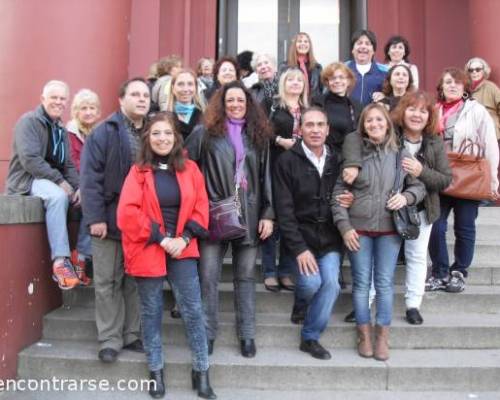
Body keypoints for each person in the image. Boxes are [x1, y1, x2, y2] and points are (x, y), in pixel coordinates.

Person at [117, 112, 216, 399]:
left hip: (183, 247)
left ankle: (201, 370)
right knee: (150, 313)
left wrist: (183, 239)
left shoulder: (190, 169)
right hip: (149, 246)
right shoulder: (138, 172)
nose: (162, 138)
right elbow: (127, 212)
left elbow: (200, 206)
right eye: (157, 133)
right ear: (148, 137)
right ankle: (155, 371)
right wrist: (162, 238)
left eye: (168, 133)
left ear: (176, 138)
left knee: (193, 310)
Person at [342, 91, 452, 325]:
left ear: (429, 116)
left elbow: (444, 180)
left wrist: (420, 171)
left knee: (416, 256)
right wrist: (352, 164)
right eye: (412, 109)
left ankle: (413, 305)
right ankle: (366, 302)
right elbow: (355, 138)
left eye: (423, 111)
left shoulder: (434, 142)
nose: (417, 115)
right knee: (378, 259)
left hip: (421, 208)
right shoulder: (391, 133)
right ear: (403, 111)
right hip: (383, 209)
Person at [186, 81, 274, 358]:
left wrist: (268, 214)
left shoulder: (258, 135)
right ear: (221, 105)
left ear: (249, 104)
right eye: (230, 101)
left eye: (241, 100)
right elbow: (188, 173)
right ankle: (208, 333)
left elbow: (266, 176)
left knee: (246, 277)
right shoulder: (204, 133)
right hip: (215, 214)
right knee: (208, 276)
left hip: (249, 212)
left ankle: (247, 335)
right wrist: (196, 210)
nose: (236, 105)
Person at [332, 103, 425, 361]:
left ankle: (382, 335)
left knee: (384, 284)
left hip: (389, 231)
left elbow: (419, 188)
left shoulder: (400, 154)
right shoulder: (354, 155)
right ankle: (364, 333)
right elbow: (338, 195)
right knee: (361, 284)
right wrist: (344, 227)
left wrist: (406, 197)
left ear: (387, 124)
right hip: (358, 230)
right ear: (364, 125)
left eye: (379, 120)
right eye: (369, 121)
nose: (374, 124)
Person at [80, 77, 149, 363]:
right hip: (107, 219)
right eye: (135, 94)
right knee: (107, 281)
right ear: (121, 100)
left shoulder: (154, 132)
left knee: (133, 280)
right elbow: (90, 177)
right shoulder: (104, 131)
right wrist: (95, 217)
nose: (142, 99)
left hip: (141, 222)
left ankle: (132, 334)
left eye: (145, 95)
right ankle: (110, 339)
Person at [274, 107, 344, 360]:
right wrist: (300, 248)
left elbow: (344, 193)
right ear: (300, 129)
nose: (315, 130)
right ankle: (301, 302)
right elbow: (284, 210)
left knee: (331, 285)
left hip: (330, 238)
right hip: (300, 238)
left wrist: (348, 198)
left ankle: (310, 336)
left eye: (320, 125)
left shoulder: (337, 159)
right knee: (310, 284)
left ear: (327, 129)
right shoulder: (286, 161)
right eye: (309, 125)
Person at [427, 67, 499, 293]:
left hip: (468, 176)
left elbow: (490, 145)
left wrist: (493, 180)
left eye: (457, 83)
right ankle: (439, 272)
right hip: (439, 176)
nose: (452, 86)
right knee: (436, 227)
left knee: (464, 226)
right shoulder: (433, 110)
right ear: (441, 86)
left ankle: (459, 272)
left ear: (465, 87)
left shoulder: (475, 111)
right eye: (448, 82)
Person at [6, 80, 80, 290]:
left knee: (85, 198)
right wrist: (60, 182)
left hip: (50, 179)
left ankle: (82, 260)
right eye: (54, 97)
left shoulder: (60, 129)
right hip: (27, 180)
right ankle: (60, 262)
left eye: (62, 98)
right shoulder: (28, 122)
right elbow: (30, 160)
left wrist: (80, 187)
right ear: (43, 99)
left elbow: (68, 164)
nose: (58, 102)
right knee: (58, 196)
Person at [261, 68, 309, 292]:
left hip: (300, 172)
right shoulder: (272, 105)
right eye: (291, 79)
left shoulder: (309, 109)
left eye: (299, 80)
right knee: (272, 218)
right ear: (283, 83)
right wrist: (280, 140)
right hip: (275, 167)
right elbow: (260, 131)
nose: (295, 83)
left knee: (293, 220)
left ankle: (286, 271)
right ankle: (270, 271)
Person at [66, 88, 102, 285]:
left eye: (92, 108)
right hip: (74, 184)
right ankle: (80, 259)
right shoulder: (69, 134)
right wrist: (82, 186)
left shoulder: (100, 132)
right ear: (76, 111)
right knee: (91, 200)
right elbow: (72, 164)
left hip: (92, 186)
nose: (88, 112)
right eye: (83, 108)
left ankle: (83, 257)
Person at [312, 62, 362, 152]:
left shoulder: (357, 106)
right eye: (333, 78)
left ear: (349, 81)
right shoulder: (317, 102)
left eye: (341, 77)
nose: (337, 81)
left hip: (349, 157)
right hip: (323, 155)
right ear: (327, 82)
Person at [345, 29, 388, 107]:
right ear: (352, 49)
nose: (363, 46)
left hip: (372, 117)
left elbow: (393, 95)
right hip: (347, 116)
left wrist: (384, 96)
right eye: (359, 43)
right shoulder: (343, 69)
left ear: (373, 50)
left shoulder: (385, 71)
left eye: (367, 44)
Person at [278, 32, 323, 99]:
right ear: (294, 45)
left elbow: (321, 90)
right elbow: (281, 89)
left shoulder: (317, 67)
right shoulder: (284, 66)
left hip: (313, 106)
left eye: (306, 41)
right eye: (299, 41)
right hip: (293, 104)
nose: (303, 43)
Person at [465, 57, 500, 142]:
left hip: (491, 132)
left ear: (484, 71)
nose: (474, 72)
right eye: (471, 70)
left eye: (478, 69)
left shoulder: (491, 87)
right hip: (471, 134)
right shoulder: (465, 89)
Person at [165, 68, 205, 141]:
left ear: (195, 88)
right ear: (173, 88)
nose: (186, 89)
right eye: (180, 84)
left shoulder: (204, 118)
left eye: (190, 84)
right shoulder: (164, 118)